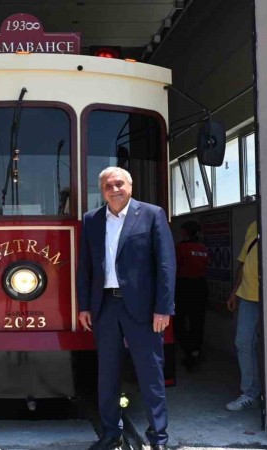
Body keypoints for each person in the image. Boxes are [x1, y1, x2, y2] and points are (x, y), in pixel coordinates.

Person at [77, 167, 176, 450]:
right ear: (102, 190)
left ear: (130, 186)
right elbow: (85, 267)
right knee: (107, 374)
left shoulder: (152, 214)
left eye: (119, 183)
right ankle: (110, 433)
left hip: (144, 309)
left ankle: (158, 437)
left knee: (150, 374)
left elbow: (166, 265)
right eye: (108, 185)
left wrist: (163, 308)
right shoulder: (92, 219)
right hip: (105, 306)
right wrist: (84, 306)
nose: (114, 189)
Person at [225, 220, 260, 411]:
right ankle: (250, 392)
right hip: (247, 296)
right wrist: (234, 293)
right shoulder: (253, 225)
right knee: (244, 342)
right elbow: (243, 262)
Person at [173, 220, 209, 372]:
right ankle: (196, 350)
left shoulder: (181, 248)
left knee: (178, 321)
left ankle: (189, 350)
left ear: (185, 232)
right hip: (200, 286)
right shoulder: (203, 248)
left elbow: (173, 267)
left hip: (184, 286)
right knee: (197, 321)